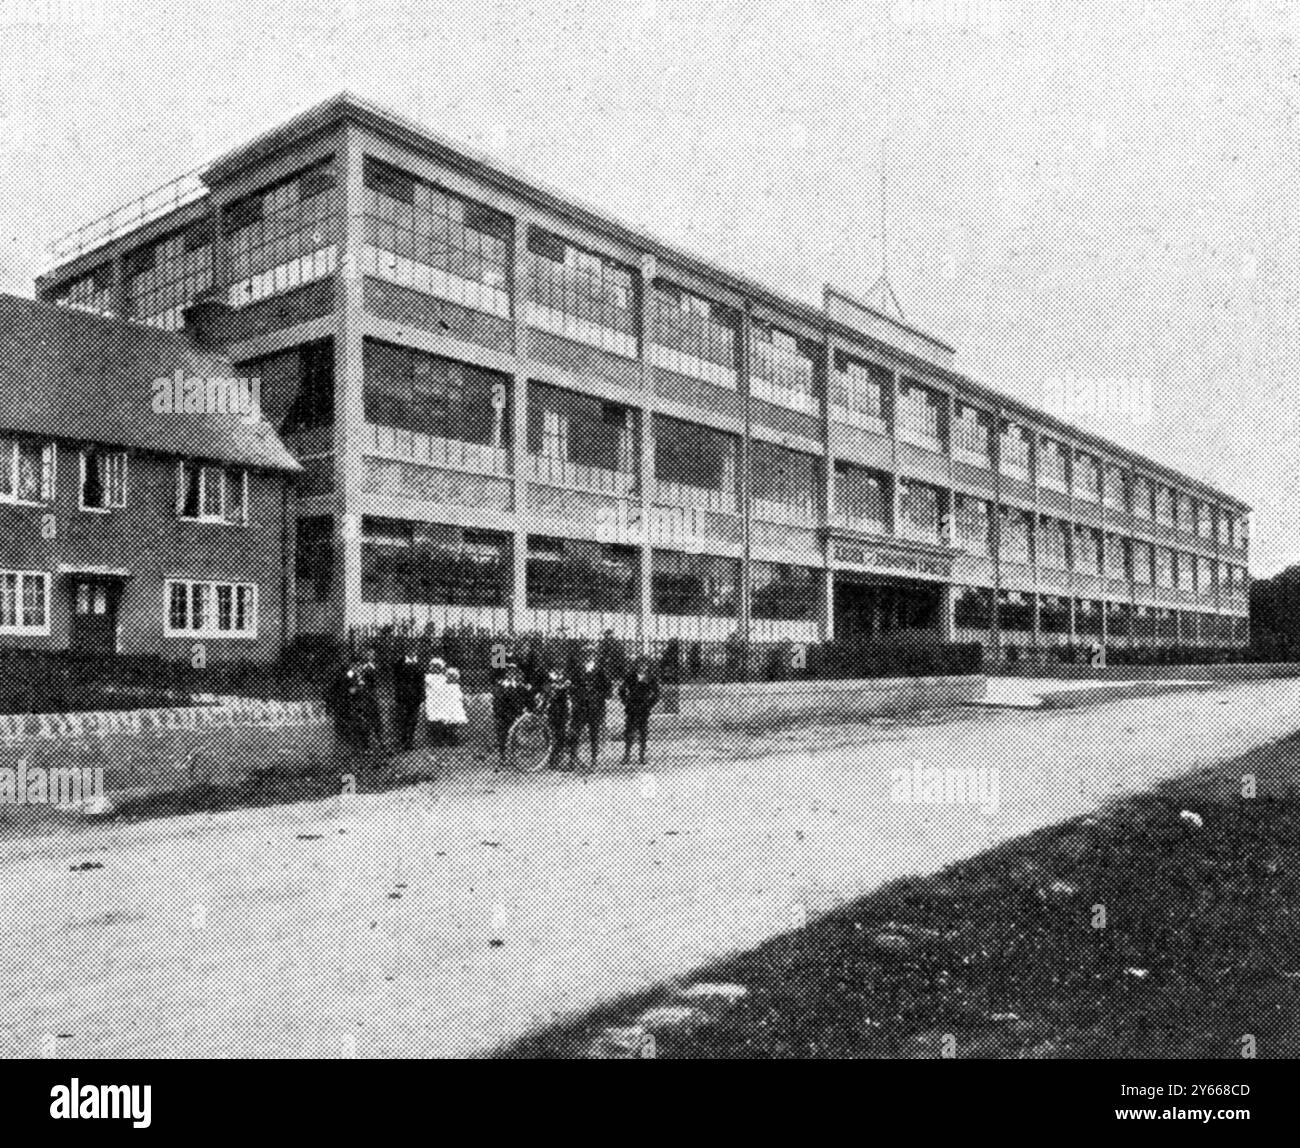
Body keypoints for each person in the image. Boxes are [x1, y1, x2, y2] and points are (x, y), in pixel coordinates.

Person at [567, 641, 611, 773]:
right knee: (575, 733)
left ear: (594, 655)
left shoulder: (600, 669)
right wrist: (574, 697)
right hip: (580, 707)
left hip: (595, 708)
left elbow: (608, 688)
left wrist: (599, 696)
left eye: (591, 653)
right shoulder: (577, 669)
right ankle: (572, 760)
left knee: (594, 734)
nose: (588, 655)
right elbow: (571, 685)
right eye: (586, 653)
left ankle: (594, 761)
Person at [619, 655, 661, 767]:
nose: (642, 666)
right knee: (629, 732)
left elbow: (657, 694)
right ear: (636, 665)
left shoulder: (651, 678)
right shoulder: (630, 676)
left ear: (647, 666)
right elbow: (621, 690)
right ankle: (626, 756)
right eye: (640, 664)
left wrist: (649, 705)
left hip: (644, 708)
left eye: (644, 664)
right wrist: (626, 702)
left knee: (643, 733)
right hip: (631, 707)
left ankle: (642, 756)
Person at [491, 661, 534, 771]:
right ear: (506, 673)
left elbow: (527, 699)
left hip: (515, 715)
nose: (511, 674)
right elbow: (496, 701)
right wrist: (497, 713)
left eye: (513, 672)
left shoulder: (520, 686)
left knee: (514, 736)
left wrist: (529, 709)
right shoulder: (500, 685)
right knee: (502, 736)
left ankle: (513, 758)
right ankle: (502, 758)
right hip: (502, 715)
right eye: (509, 672)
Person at [540, 669, 573, 771]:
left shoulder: (566, 681)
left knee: (561, 737)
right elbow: (545, 694)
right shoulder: (548, 682)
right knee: (553, 737)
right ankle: (552, 761)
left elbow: (567, 692)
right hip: (552, 713)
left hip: (562, 713)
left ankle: (559, 761)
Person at [392, 649, 425, 751]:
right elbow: (396, 679)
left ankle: (410, 742)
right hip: (403, 696)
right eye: (410, 650)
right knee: (403, 719)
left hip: (415, 697)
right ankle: (403, 741)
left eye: (414, 650)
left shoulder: (419, 663)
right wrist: (398, 695)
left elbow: (421, 681)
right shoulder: (399, 662)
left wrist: (421, 696)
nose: (412, 652)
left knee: (413, 720)